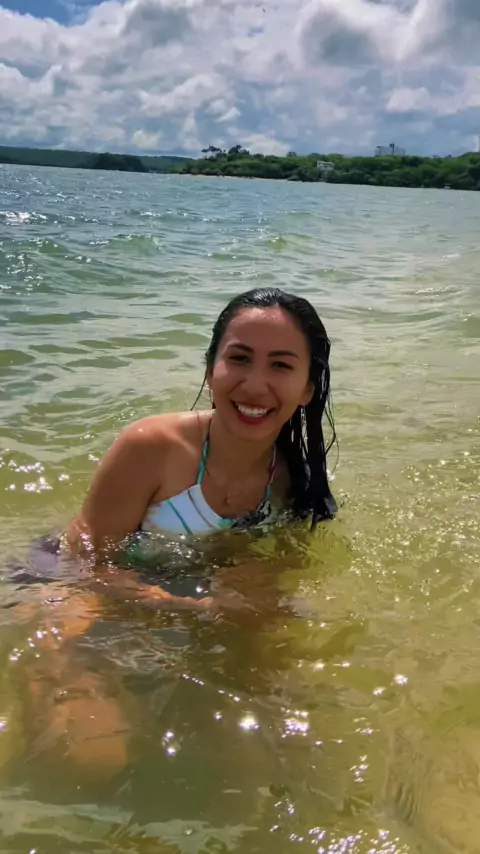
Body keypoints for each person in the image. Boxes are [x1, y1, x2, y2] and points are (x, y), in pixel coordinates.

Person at [64, 287, 337, 612]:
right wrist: (190, 607)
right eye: (239, 358)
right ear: (210, 370)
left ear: (307, 389)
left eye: (280, 365)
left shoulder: (295, 481)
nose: (254, 385)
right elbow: (85, 564)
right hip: (68, 584)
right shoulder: (152, 447)